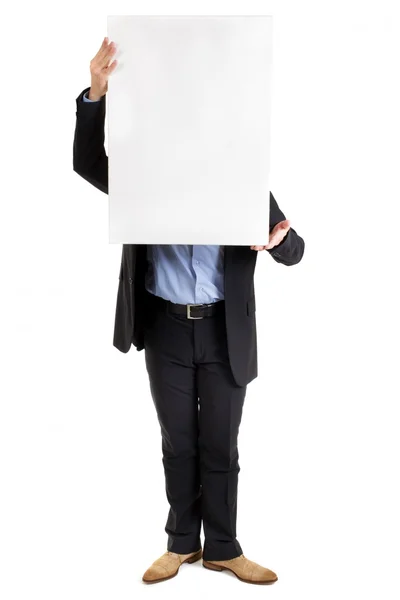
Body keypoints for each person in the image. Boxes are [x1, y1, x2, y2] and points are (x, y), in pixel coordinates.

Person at [73, 37, 305, 585]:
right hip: (165, 325)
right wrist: (97, 92)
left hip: (225, 330)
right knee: (177, 440)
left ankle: (223, 546)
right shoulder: (143, 174)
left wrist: (275, 242)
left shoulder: (243, 179)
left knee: (220, 443)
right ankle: (181, 543)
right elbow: (86, 163)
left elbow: (294, 247)